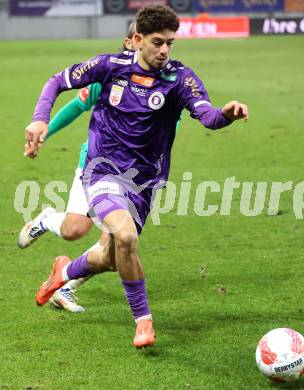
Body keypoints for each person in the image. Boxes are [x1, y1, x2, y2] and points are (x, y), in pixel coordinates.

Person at [24, 5, 248, 349]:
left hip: (145, 183)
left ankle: (65, 273)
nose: (164, 51)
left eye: (170, 43)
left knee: (112, 256)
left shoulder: (180, 78)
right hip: (102, 171)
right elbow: (57, 81)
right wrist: (41, 119)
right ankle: (143, 322)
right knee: (125, 237)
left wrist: (226, 115)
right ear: (138, 40)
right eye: (158, 42)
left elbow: (207, 116)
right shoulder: (109, 67)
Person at [17, 22, 138, 313]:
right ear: (131, 41)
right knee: (74, 231)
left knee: (114, 248)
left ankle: (66, 287)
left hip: (134, 176)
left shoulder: (166, 84)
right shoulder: (109, 75)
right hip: (95, 167)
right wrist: (45, 133)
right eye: (143, 38)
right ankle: (46, 220)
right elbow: (75, 106)